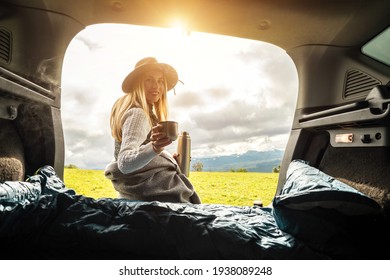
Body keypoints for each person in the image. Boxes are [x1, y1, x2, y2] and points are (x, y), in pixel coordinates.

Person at [104, 57, 201, 204]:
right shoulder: (138, 114)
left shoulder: (142, 111)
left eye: (161, 81)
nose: (156, 86)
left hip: (141, 197)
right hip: (155, 198)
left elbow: (139, 151)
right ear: (138, 84)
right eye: (148, 80)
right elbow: (125, 162)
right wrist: (156, 147)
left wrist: (164, 159)